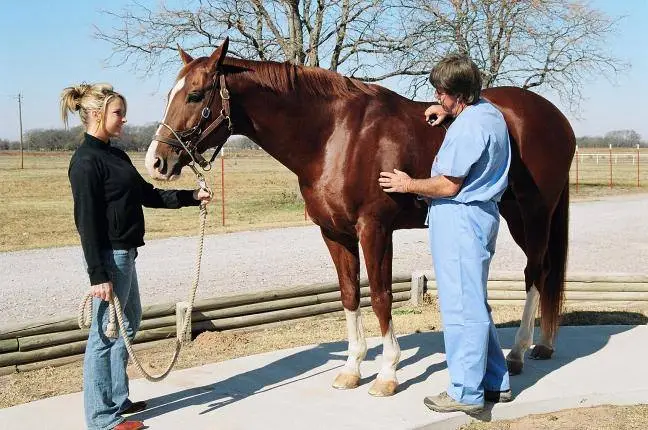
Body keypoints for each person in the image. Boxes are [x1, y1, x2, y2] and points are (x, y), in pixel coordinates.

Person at [61, 83, 211, 430]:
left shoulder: (115, 155)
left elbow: (147, 194)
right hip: (110, 258)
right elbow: (86, 224)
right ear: (97, 115)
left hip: (126, 255)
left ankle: (117, 397)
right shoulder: (85, 162)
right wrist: (97, 275)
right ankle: (102, 419)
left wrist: (191, 196)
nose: (124, 119)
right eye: (118, 113)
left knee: (129, 321)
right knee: (104, 336)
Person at [378, 55, 512, 414]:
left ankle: (466, 392)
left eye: (443, 92)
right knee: (474, 302)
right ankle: (496, 381)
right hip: (479, 217)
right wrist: (449, 113)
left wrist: (407, 184)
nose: (437, 96)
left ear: (461, 94)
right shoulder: (488, 114)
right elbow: (469, 118)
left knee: (459, 308)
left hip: (460, 220)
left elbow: (448, 185)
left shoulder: (470, 128)